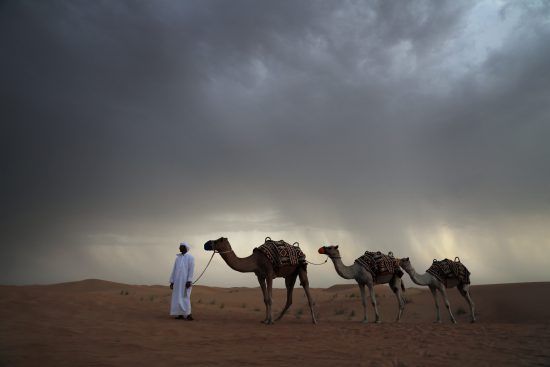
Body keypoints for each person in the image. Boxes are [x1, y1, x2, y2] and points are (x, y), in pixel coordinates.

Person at [169, 242, 195, 320]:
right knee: (177, 298)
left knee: (185, 297)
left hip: (185, 281)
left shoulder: (190, 258)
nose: (179, 248)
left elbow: (191, 270)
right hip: (177, 281)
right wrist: (172, 281)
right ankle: (180, 314)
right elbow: (174, 270)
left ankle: (188, 314)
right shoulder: (178, 258)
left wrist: (189, 280)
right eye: (180, 246)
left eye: (181, 246)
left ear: (186, 248)